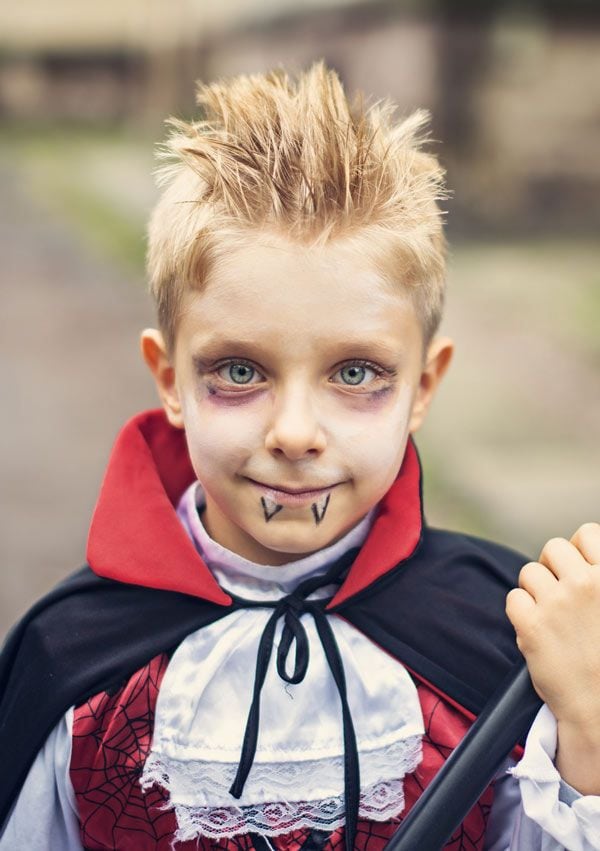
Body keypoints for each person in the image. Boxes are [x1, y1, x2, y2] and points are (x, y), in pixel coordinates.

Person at [1, 63, 599, 851]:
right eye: (239, 371)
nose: (294, 431)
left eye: (355, 373)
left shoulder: (504, 635)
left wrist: (587, 724)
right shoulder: (71, 655)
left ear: (423, 385)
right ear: (169, 378)